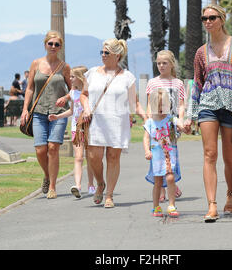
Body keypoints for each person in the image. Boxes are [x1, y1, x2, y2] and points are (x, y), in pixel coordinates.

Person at [184, 4, 232, 222]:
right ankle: (212, 204)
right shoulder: (200, 52)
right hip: (208, 105)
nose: (207, 21)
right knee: (209, 154)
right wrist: (192, 114)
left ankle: (230, 195)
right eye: (204, 18)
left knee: (229, 158)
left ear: (222, 19)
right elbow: (197, 84)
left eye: (212, 17)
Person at [80, 38, 137, 208]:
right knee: (93, 157)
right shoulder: (92, 73)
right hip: (96, 120)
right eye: (102, 52)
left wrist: (138, 115)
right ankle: (100, 183)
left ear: (117, 56)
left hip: (117, 121)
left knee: (113, 157)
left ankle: (109, 195)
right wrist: (86, 108)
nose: (103, 55)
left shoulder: (128, 77)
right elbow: (83, 94)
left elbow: (133, 101)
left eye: (107, 53)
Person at [20, 30, 71, 199]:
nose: (54, 47)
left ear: (60, 47)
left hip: (58, 113)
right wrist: (25, 109)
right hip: (39, 112)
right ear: (45, 45)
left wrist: (66, 97)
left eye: (57, 44)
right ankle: (47, 176)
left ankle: (53, 187)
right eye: (51, 44)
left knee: (53, 148)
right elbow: (29, 88)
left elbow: (74, 90)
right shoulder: (36, 64)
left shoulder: (64, 67)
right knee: (40, 149)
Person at [48, 66, 96, 198]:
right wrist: (57, 117)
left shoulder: (89, 93)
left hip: (90, 128)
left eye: (72, 77)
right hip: (76, 129)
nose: (70, 79)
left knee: (91, 158)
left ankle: (91, 184)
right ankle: (78, 186)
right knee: (78, 157)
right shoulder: (73, 92)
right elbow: (71, 111)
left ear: (80, 78)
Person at [146, 50, 185, 203]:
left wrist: (181, 121)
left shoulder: (178, 83)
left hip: (172, 124)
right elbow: (150, 104)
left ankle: (171, 182)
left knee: (170, 155)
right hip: (156, 124)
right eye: (159, 63)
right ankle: (161, 188)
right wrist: (149, 120)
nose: (161, 66)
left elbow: (181, 105)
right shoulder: (152, 82)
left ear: (171, 64)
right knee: (157, 155)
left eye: (164, 63)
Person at [143, 88, 181, 217]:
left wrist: (183, 126)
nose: (161, 109)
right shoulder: (150, 122)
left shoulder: (171, 119)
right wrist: (147, 150)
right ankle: (156, 206)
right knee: (158, 181)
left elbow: (178, 128)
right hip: (156, 156)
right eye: (158, 106)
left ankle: (171, 204)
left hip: (169, 154)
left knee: (170, 178)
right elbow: (146, 138)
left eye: (163, 105)